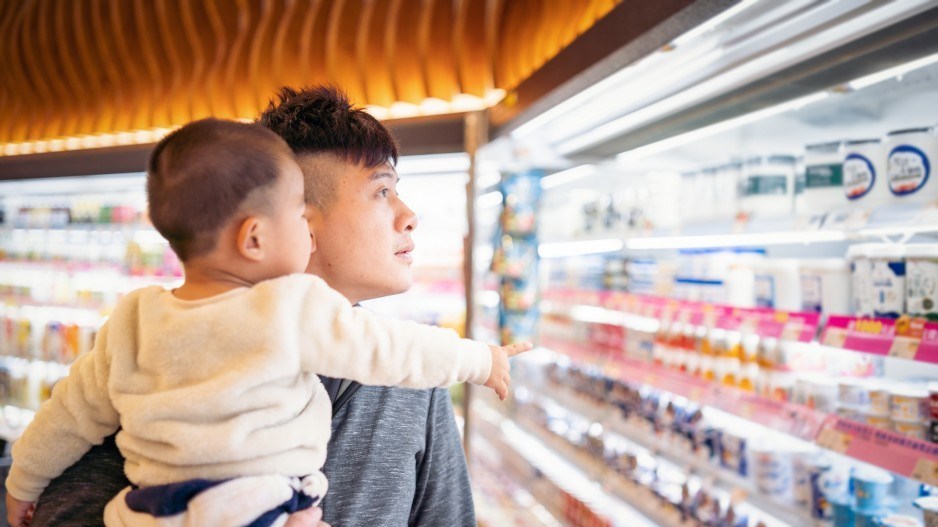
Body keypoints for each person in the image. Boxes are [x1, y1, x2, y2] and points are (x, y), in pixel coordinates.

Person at [4, 119, 529, 527]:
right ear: (274, 230)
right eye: (381, 190)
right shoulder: (301, 314)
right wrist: (483, 359)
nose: (408, 214)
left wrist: (22, 480)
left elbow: (65, 414)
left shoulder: (137, 320)